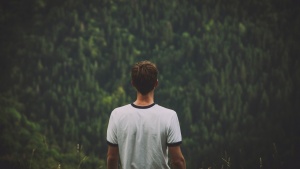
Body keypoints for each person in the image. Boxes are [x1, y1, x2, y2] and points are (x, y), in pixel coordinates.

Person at [106, 60, 186, 169]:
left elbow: (111, 158)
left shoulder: (117, 115)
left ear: (133, 83)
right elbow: (178, 161)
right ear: (156, 83)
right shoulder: (169, 116)